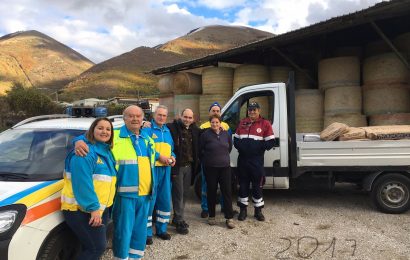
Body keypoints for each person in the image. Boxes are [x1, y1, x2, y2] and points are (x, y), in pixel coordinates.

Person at [74, 105, 157, 259]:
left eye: (138, 116)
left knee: (140, 233)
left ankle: (135, 257)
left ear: (142, 119)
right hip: (125, 196)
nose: (135, 119)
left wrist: (166, 158)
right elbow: (91, 138)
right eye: (131, 116)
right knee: (123, 233)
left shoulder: (147, 139)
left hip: (146, 195)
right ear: (124, 118)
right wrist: (78, 142)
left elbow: (154, 156)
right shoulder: (115, 136)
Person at [61, 117, 116, 260]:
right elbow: (82, 183)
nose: (104, 131)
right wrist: (93, 209)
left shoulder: (105, 152)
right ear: (92, 130)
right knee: (97, 248)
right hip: (82, 210)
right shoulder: (84, 153)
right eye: (100, 128)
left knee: (89, 247)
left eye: (108, 129)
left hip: (98, 209)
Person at [233, 101, 275, 221]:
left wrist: (258, 148)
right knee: (243, 185)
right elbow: (236, 140)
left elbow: (271, 141)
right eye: (250, 110)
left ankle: (258, 211)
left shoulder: (265, 123)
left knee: (257, 186)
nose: (252, 112)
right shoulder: (242, 122)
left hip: (256, 161)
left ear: (259, 111)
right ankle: (243, 210)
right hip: (243, 160)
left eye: (254, 110)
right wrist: (242, 147)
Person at [142, 105, 175, 245]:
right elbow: (146, 149)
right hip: (152, 170)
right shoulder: (147, 129)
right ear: (154, 115)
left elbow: (172, 150)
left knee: (165, 201)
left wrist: (173, 158)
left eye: (164, 115)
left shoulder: (167, 131)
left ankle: (161, 229)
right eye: (159, 115)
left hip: (166, 171)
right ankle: (147, 232)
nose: (161, 117)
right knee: (150, 202)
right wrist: (158, 157)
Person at [167, 108, 200, 235]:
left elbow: (206, 131)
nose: (187, 119)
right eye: (185, 117)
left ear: (193, 119)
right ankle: (179, 220)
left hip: (189, 167)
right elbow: (158, 125)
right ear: (180, 116)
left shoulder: (194, 130)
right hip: (178, 167)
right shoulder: (172, 127)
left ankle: (177, 217)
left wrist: (220, 129)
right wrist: (145, 123)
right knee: (178, 194)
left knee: (185, 194)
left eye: (190, 118)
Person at [200, 114, 235, 228]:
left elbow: (229, 147)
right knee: (211, 192)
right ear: (210, 123)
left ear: (220, 123)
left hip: (225, 167)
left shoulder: (226, 134)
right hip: (210, 168)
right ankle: (212, 216)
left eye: (217, 122)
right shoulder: (205, 135)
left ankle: (229, 218)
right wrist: (208, 160)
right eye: (213, 122)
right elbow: (201, 150)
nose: (215, 124)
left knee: (227, 192)